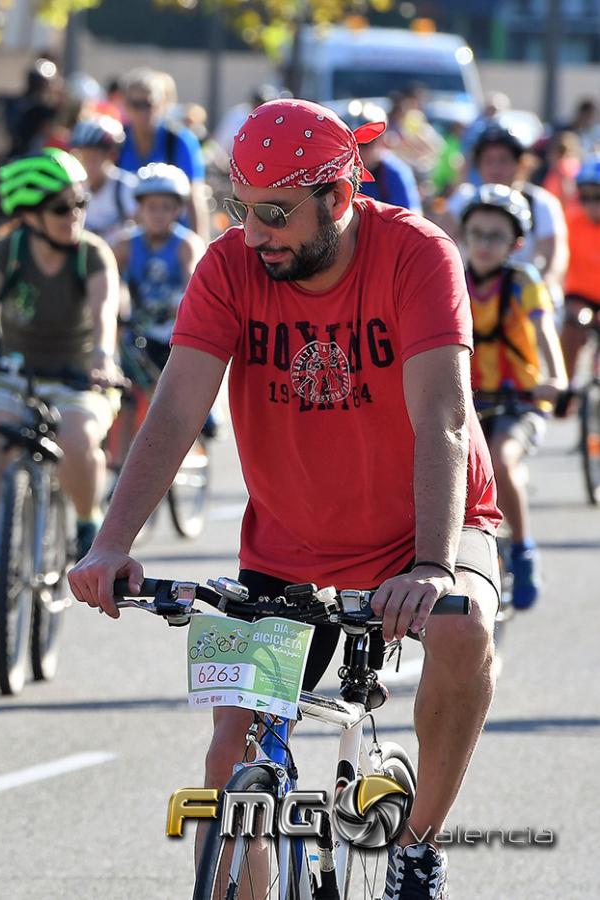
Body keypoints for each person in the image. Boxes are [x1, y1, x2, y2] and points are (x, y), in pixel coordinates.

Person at [71, 99, 501, 898]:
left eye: (275, 213)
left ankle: (418, 843)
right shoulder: (228, 266)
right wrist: (110, 540)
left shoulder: (418, 255)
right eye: (241, 209)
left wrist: (433, 566)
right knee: (230, 754)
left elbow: (442, 417)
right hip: (289, 546)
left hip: (425, 529)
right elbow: (175, 408)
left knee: (464, 627)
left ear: (338, 197)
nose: (254, 233)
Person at [0, 149, 121, 615]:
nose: (74, 214)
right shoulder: (9, 250)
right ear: (30, 215)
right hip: (13, 375)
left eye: (80, 203)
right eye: (61, 207)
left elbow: (105, 313)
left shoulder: (92, 254)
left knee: (78, 438)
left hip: (80, 378)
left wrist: (101, 356)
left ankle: (87, 523)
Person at [460, 185, 565, 610]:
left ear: (516, 244)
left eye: (496, 236)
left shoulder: (524, 282)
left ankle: (522, 551)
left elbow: (544, 332)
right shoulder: (452, 278)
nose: (484, 245)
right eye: (477, 233)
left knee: (503, 460)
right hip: (468, 400)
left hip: (521, 400)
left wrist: (555, 377)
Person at [110, 163, 206, 467]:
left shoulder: (185, 244)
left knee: (172, 398)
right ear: (139, 209)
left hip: (174, 333)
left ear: (178, 210)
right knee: (126, 394)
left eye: (166, 207)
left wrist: (182, 304)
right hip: (138, 332)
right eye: (151, 207)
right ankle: (121, 464)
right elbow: (111, 282)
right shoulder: (125, 244)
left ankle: (179, 449)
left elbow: (193, 283)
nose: (158, 214)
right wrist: (118, 309)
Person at [447, 121, 569, 302]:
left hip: (521, 302)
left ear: (522, 163)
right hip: (468, 299)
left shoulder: (541, 203)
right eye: (488, 161)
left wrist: (542, 289)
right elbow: (442, 245)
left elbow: (554, 256)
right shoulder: (463, 199)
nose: (495, 169)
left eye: (504, 160)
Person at [115, 69, 210, 240]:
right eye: (136, 104)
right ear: (126, 107)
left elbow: (195, 197)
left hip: (176, 242)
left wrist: (201, 245)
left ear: (161, 105)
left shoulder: (179, 141)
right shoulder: (118, 141)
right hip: (133, 242)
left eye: (149, 104)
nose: (143, 112)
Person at [560, 156, 600, 406]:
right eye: (585, 197)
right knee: (574, 320)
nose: (592, 204)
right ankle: (566, 385)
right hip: (581, 296)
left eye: (598, 196)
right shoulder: (571, 222)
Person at [338, 100, 422, 214]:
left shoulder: (394, 173)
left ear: (381, 140)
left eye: (366, 142)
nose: (357, 150)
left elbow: (410, 217)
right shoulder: (333, 173)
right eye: (351, 142)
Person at [69, 115, 138, 241]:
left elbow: (140, 229)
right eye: (84, 157)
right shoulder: (74, 188)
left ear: (111, 155)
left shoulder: (126, 187)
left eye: (94, 157)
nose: (89, 164)